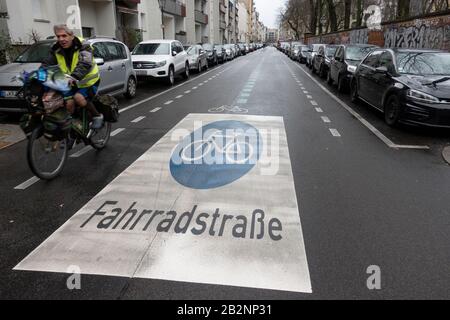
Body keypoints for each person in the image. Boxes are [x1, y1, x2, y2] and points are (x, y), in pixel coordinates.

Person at [42, 24, 104, 129]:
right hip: (70, 82)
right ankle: (72, 128)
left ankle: (97, 116)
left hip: (88, 81)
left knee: (78, 98)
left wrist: (74, 76)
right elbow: (46, 64)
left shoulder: (83, 45)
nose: (61, 39)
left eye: (64, 36)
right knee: (68, 103)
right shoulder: (56, 49)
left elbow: (85, 63)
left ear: (71, 36)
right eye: (58, 36)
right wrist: (37, 75)